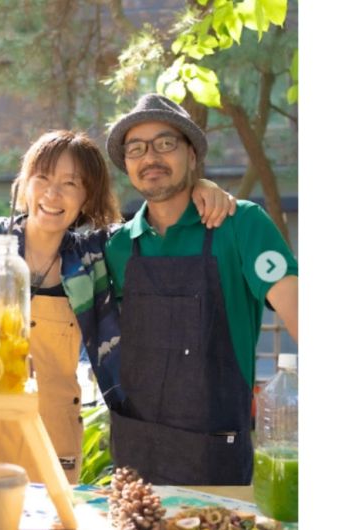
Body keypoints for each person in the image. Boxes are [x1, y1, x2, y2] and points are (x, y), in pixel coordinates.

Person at [0, 130, 236, 484]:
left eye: (70, 183)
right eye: (43, 178)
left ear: (87, 198)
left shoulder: (93, 257)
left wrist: (200, 186)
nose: (52, 193)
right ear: (25, 182)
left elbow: (156, 223)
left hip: (54, 430)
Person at [103, 93, 299, 485]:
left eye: (165, 143)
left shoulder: (242, 224)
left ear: (192, 155)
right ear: (126, 164)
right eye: (136, 148)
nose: (150, 157)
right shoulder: (115, 246)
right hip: (135, 464)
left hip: (217, 460)